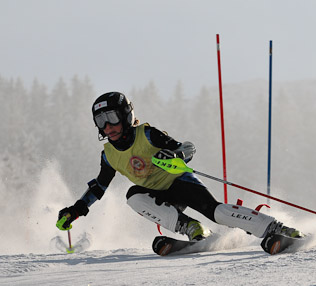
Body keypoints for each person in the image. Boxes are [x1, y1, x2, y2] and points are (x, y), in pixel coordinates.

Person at [57, 91, 302, 254]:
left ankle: (276, 228)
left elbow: (187, 148)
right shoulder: (108, 155)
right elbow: (99, 187)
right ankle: (195, 231)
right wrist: (76, 210)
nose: (107, 126)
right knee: (133, 195)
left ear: (125, 115)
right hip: (156, 195)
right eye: (100, 121)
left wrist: (175, 156)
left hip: (179, 182)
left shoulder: (147, 134)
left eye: (111, 117)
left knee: (216, 212)